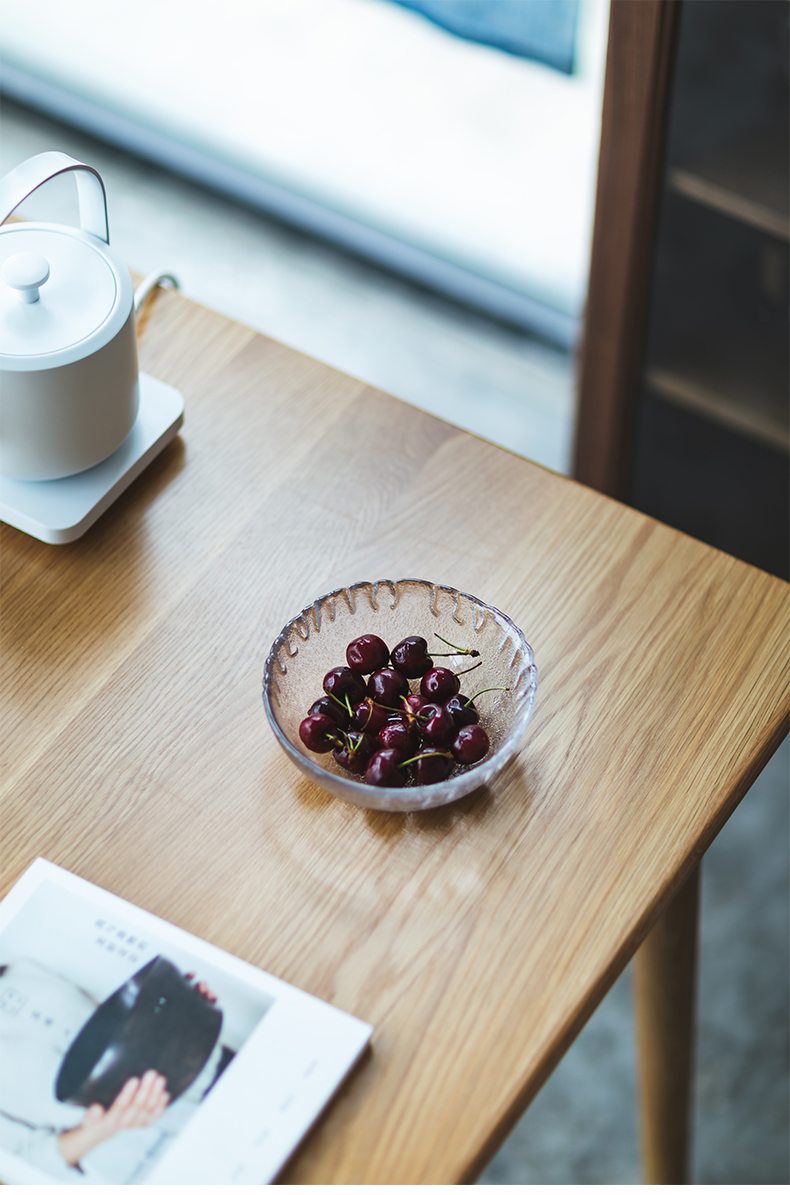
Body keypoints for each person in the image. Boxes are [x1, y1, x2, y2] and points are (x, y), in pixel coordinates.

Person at [0, 958, 221, 1182]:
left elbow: (132, 1007)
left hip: (213, 1091)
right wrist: (101, 1129)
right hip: (156, 1170)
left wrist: (183, 1010)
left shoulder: (24, 967)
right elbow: (22, 1164)